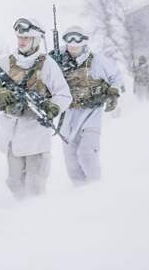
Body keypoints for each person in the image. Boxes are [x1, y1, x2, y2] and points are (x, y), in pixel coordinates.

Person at [0, 18, 72, 199]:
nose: (22, 41)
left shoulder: (47, 64)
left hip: (36, 133)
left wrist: (52, 108)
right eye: (19, 37)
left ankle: (34, 217)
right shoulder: (4, 63)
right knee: (14, 183)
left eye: (26, 37)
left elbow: (64, 95)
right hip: (11, 133)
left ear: (36, 40)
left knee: (35, 187)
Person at [52, 25, 123, 186]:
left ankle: (96, 187)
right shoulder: (57, 60)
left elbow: (116, 77)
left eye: (77, 39)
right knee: (70, 158)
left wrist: (113, 93)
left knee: (86, 153)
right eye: (69, 39)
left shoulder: (97, 60)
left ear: (84, 41)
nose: (73, 44)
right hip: (68, 115)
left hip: (92, 113)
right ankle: (79, 191)